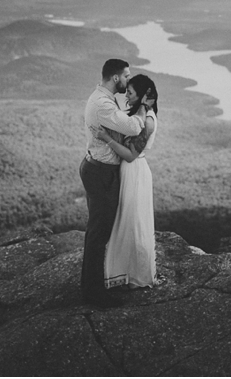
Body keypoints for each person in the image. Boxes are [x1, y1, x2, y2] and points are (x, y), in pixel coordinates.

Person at [80, 58, 154, 308]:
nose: (127, 80)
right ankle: (93, 293)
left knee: (99, 230)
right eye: (126, 76)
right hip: (101, 173)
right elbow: (134, 127)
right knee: (99, 232)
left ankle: (93, 286)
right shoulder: (103, 104)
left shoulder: (103, 99)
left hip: (99, 169)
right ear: (115, 78)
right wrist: (143, 107)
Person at [97, 74, 159, 290]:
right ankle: (123, 272)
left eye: (131, 93)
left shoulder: (148, 122)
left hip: (135, 172)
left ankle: (136, 275)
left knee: (133, 222)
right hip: (126, 172)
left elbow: (131, 155)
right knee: (123, 220)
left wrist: (107, 139)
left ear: (142, 95)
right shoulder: (136, 115)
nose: (126, 96)